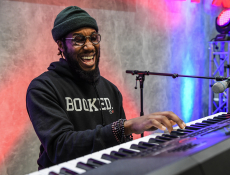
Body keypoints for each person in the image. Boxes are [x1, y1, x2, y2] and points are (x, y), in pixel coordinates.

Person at [26, 6, 186, 170]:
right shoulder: (43, 88)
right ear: (61, 45)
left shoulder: (110, 89)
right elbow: (61, 147)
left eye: (94, 38)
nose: (89, 46)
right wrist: (126, 126)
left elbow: (122, 143)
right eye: (79, 40)